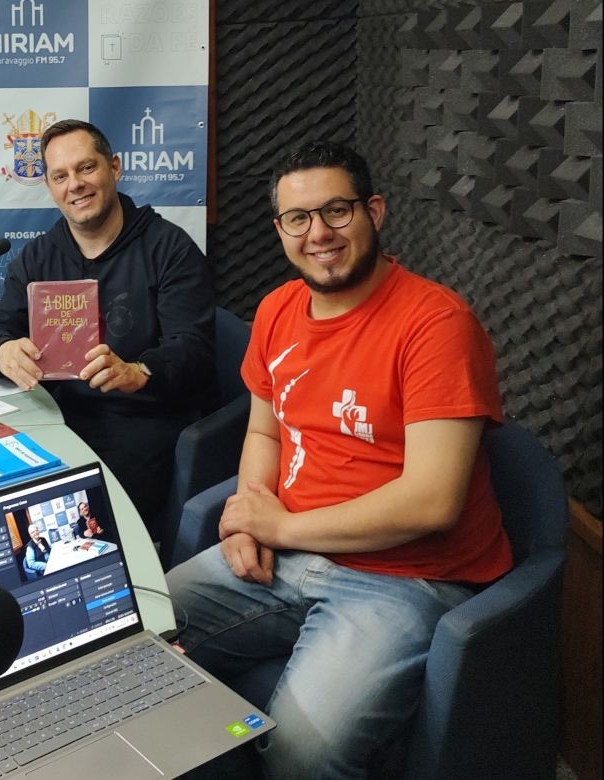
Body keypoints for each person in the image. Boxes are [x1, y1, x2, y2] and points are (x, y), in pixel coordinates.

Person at [166, 141, 512, 778]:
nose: (318, 234)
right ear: (279, 229)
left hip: (404, 579)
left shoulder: (436, 324)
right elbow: (265, 435)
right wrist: (248, 517)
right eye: (298, 218)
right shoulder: (276, 310)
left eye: (336, 212)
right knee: (124, 641)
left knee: (304, 753)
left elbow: (433, 501)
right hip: (285, 555)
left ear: (374, 211)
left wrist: (280, 528)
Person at [0, 119, 215, 536]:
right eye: (60, 176)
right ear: (49, 187)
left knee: (67, 526)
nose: (76, 185)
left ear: (115, 169)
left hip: (139, 428)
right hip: (54, 421)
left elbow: (193, 349)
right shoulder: (39, 256)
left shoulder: (170, 248)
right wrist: (2, 350)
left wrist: (137, 372)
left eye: (87, 168)